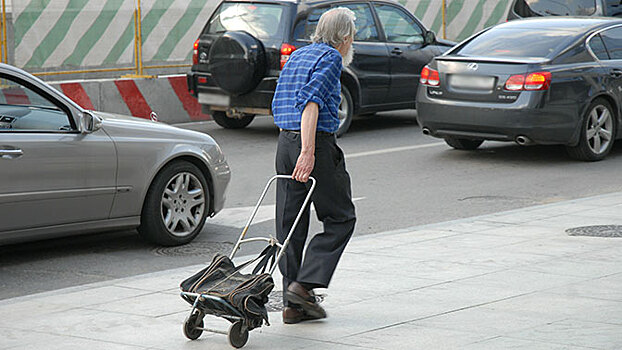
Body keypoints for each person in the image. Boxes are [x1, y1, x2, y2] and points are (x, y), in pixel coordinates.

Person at [271, 7, 357, 324]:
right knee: (341, 217)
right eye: (352, 38)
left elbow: (282, 99)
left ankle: (291, 306)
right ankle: (303, 287)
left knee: (290, 225)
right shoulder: (332, 58)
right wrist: (308, 151)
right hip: (314, 144)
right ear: (345, 38)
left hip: (284, 142)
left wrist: (294, 146)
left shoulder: (297, 55)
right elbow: (311, 102)